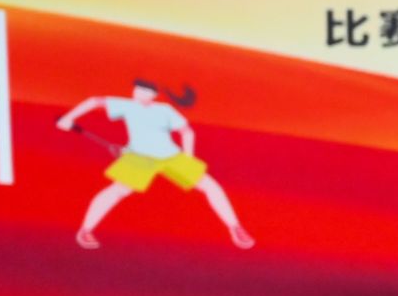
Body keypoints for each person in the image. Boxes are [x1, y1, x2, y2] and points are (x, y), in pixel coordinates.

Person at [55, 80, 253, 249]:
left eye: (145, 91)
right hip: (140, 158)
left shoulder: (164, 110)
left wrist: (188, 158)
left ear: (154, 95)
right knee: (118, 191)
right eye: (137, 89)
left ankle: (235, 228)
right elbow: (93, 101)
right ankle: (85, 230)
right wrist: (68, 118)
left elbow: (187, 132)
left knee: (210, 186)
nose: (139, 93)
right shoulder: (126, 105)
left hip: (171, 156)